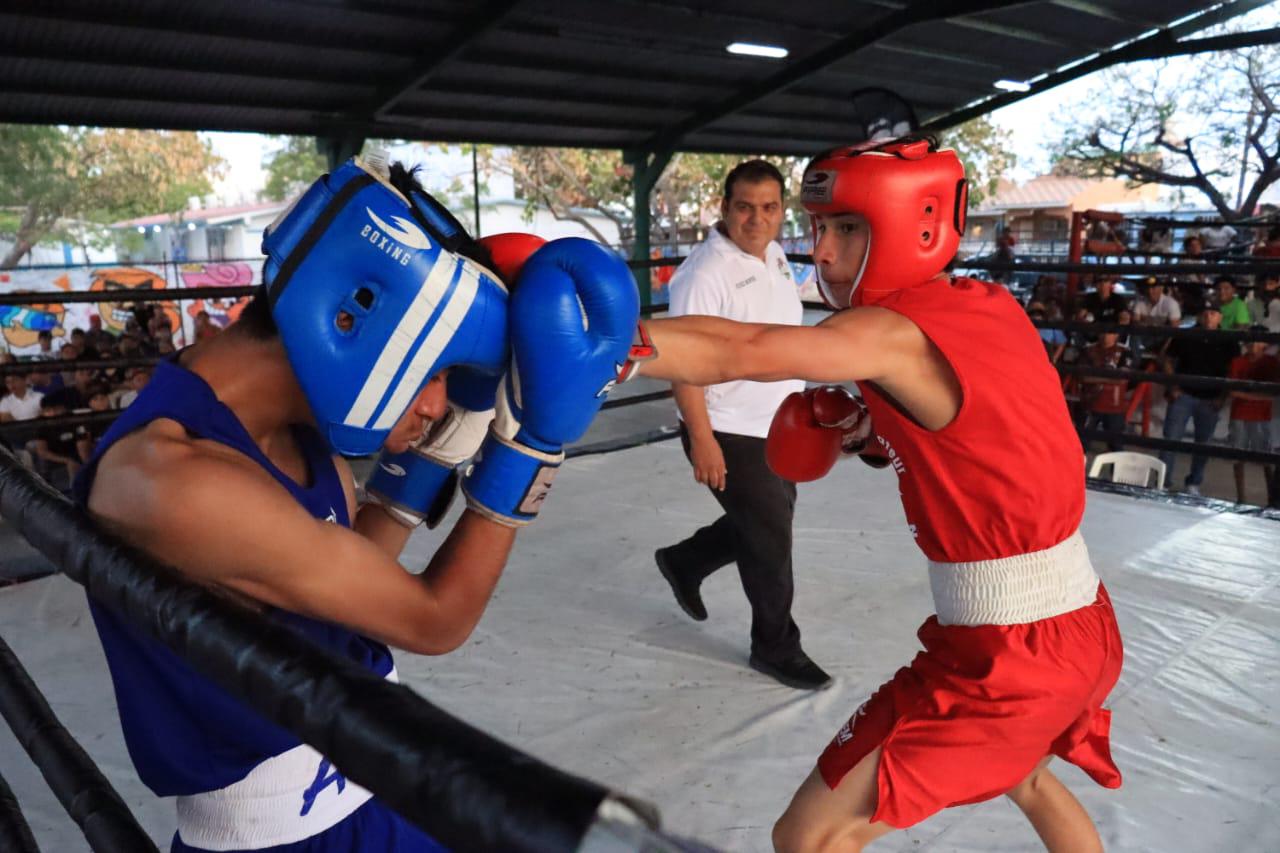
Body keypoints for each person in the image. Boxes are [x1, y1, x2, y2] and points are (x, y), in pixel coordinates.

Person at [73, 155, 637, 853]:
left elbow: (339, 581)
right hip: (288, 840)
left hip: (379, 790)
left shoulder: (296, 432)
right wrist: (529, 449)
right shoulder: (175, 481)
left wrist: (424, 463)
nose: (438, 402)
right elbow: (432, 619)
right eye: (436, 372)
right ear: (356, 321)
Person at [622, 136, 1123, 853]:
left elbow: (744, 350)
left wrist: (607, 339)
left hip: (1009, 656)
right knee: (1028, 775)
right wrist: (871, 429)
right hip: (1081, 626)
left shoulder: (891, 334)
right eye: (820, 227)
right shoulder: (985, 302)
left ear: (911, 226)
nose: (821, 252)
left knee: (810, 836)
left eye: (846, 229)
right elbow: (993, 426)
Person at [654, 160, 826, 690]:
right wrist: (702, 439)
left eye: (769, 207)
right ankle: (775, 647)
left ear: (781, 212)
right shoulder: (705, 274)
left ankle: (685, 560)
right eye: (746, 207)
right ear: (725, 208)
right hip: (727, 427)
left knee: (767, 524)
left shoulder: (774, 256)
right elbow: (681, 361)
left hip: (778, 423)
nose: (758, 218)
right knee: (771, 540)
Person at [1160, 305, 1238, 495]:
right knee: (1171, 438)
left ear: (1220, 317)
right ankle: (1163, 480)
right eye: (1205, 313)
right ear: (1199, 316)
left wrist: (1222, 397)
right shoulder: (1187, 335)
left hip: (1210, 398)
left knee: (1202, 443)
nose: (1209, 316)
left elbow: (1233, 371)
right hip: (1184, 394)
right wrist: (1174, 386)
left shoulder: (1229, 341)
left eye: (1213, 313)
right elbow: (1166, 359)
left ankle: (1194, 482)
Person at [1225, 331, 1279, 504]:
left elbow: (1273, 394)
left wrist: (1246, 394)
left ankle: (1272, 498)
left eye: (1258, 342)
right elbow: (1233, 391)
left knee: (1265, 458)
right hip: (1242, 413)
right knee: (1239, 456)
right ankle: (1241, 498)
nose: (1254, 346)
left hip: (1260, 415)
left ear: (1264, 344)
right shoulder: (1238, 361)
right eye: (1251, 342)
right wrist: (1258, 395)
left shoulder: (1271, 363)